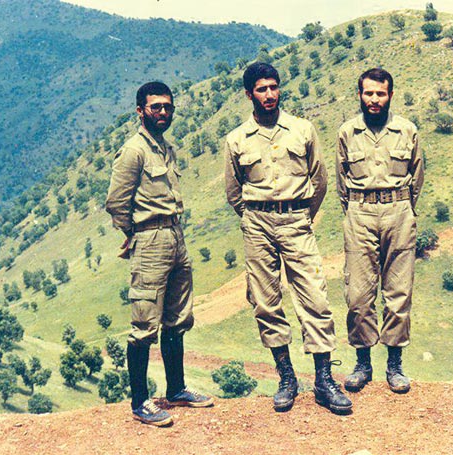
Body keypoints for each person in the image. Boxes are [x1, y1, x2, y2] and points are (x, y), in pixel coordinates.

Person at [225, 63, 351, 414]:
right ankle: (286, 378)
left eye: (274, 87)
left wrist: (302, 214)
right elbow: (233, 191)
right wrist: (255, 217)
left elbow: (320, 179)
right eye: (261, 89)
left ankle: (324, 380)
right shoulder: (237, 139)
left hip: (296, 219)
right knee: (265, 301)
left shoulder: (302, 129)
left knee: (314, 296)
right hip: (257, 223)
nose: (269, 94)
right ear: (249, 94)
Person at [106, 81, 213, 426]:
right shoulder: (134, 151)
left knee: (178, 317)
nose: (163, 112)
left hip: (175, 235)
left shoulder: (165, 148)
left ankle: (176, 388)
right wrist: (135, 234)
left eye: (168, 107)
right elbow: (116, 202)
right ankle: (140, 402)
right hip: (150, 238)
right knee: (144, 323)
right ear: (141, 111)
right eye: (156, 107)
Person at [336, 68, 424, 394]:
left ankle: (394, 364)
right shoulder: (347, 132)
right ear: (360, 95)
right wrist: (356, 210)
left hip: (399, 212)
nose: (374, 100)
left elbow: (417, 176)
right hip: (359, 214)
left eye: (380, 94)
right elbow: (341, 180)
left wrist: (403, 208)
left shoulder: (407, 130)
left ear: (390, 95)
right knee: (358, 295)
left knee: (398, 293)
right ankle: (362, 363)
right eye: (369, 93)